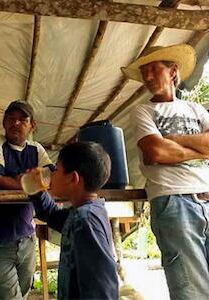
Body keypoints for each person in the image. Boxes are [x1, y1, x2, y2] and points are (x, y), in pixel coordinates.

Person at [122, 44, 209, 299]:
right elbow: (157, 152)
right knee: (190, 290)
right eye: (144, 72)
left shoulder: (196, 110)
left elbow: (167, 147)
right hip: (173, 201)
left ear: (173, 71)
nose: (147, 77)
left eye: (153, 69)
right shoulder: (142, 111)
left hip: (206, 196)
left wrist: (173, 139)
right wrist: (200, 149)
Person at [0, 100, 54, 299]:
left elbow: (51, 178)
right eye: (11, 119)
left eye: (22, 119)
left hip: (27, 237)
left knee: (24, 293)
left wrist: (25, 181)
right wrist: (31, 182)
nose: (16, 123)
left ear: (32, 125)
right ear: (4, 122)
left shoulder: (36, 149)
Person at [27, 142, 118, 299]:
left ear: (72, 178)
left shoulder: (86, 221)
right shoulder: (83, 213)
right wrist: (37, 191)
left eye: (57, 169)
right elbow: (51, 214)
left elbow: (102, 286)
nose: (52, 175)